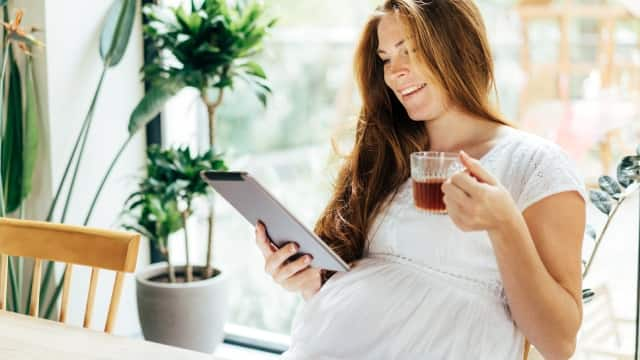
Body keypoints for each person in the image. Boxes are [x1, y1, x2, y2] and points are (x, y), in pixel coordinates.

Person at [255, 1, 587, 358]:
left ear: (458, 46)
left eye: (408, 51)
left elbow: (559, 343)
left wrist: (505, 225)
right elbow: (372, 291)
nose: (394, 72)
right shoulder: (388, 154)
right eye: (385, 59)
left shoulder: (535, 164)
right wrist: (311, 283)